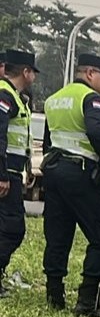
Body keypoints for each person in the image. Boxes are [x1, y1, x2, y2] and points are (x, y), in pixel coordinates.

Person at [41, 53, 100, 317]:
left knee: (58, 234)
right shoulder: (91, 98)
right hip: (82, 175)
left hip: (54, 172)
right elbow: (96, 133)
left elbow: (49, 140)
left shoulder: (54, 100)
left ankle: (54, 295)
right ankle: (86, 302)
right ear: (89, 74)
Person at [0, 50, 39, 297]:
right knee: (14, 229)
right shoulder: (6, 95)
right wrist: (2, 174)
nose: (34, 76)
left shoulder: (14, 96)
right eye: (33, 71)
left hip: (14, 172)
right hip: (7, 175)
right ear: (25, 71)